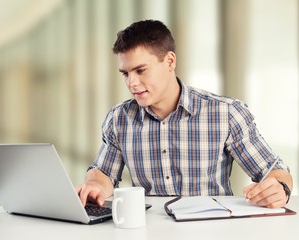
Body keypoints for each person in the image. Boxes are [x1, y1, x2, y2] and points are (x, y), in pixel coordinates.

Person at [76, 19, 292, 209]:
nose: (132, 83)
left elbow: (276, 172)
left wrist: (279, 188)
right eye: (126, 73)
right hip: (148, 231)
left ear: (170, 61)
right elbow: (103, 173)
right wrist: (94, 186)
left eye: (140, 70)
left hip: (212, 230)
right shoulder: (119, 119)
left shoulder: (225, 113)